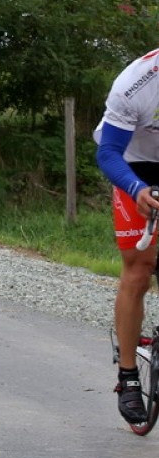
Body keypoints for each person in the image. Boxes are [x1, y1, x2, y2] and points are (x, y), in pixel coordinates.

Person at [95, 45, 159, 425]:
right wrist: (136, 190)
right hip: (133, 165)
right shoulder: (136, 83)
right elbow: (108, 154)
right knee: (139, 267)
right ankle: (129, 375)